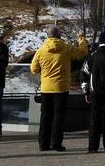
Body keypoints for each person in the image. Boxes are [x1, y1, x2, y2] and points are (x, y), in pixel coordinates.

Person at [30, 25, 88, 153]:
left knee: (45, 116)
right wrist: (81, 38)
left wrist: (43, 71)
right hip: (61, 88)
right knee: (58, 116)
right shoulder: (66, 48)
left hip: (46, 88)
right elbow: (82, 53)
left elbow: (33, 69)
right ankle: (56, 143)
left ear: (48, 36)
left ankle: (43, 144)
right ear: (59, 35)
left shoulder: (41, 51)